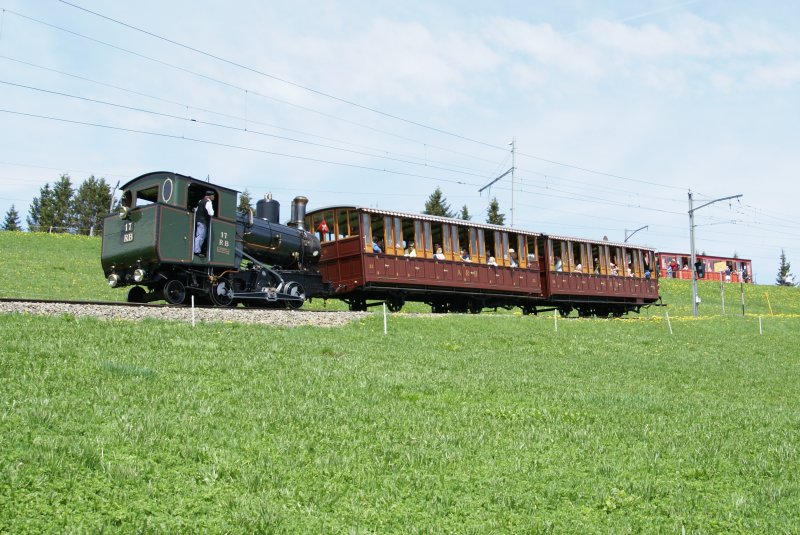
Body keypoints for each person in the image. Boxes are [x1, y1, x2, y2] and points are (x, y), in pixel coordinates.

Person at [194, 190, 215, 256]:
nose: (214, 197)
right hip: (203, 221)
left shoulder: (200, 201)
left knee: (200, 236)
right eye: (213, 196)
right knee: (200, 236)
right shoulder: (208, 202)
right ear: (210, 196)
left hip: (198, 220)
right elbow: (211, 213)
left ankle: (197, 250)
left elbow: (197, 210)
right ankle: (196, 251)